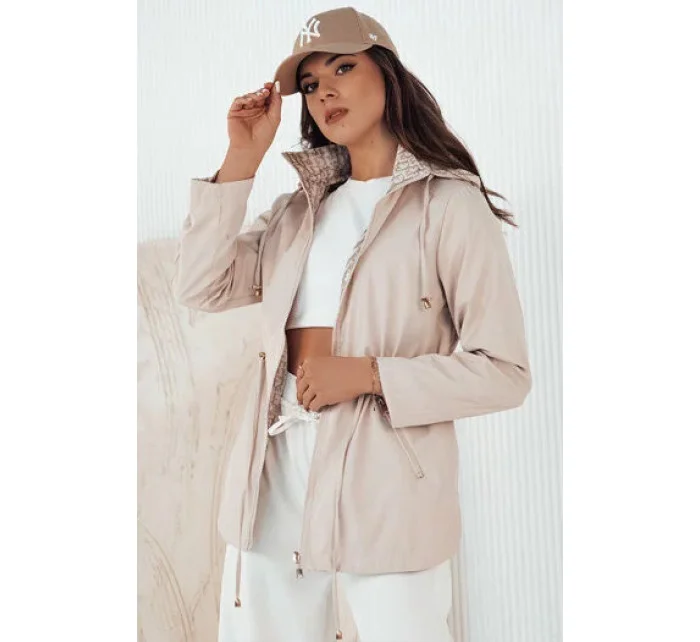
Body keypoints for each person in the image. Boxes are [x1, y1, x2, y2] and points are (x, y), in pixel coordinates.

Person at [174, 6, 532, 642]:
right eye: (311, 84)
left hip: (386, 476)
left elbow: (504, 372)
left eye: (343, 68)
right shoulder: (297, 213)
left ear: (387, 75)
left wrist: (368, 375)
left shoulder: (448, 205)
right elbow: (201, 285)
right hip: (274, 465)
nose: (325, 92)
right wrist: (241, 158)